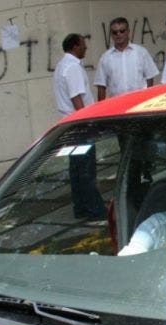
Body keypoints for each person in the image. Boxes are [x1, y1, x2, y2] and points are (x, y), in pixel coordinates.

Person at [54, 34, 106, 219]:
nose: (86, 48)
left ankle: (81, 207)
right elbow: (77, 98)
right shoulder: (73, 67)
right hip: (80, 125)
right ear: (75, 46)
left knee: (76, 169)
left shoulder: (62, 66)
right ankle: (94, 208)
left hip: (70, 124)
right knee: (86, 170)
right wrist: (88, 123)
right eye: (83, 45)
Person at [94, 17, 159, 101]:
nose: (118, 34)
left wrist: (148, 100)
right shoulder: (105, 58)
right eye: (115, 32)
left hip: (139, 103)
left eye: (122, 31)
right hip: (116, 105)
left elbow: (150, 78)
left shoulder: (141, 52)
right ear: (111, 35)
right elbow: (101, 86)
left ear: (128, 32)